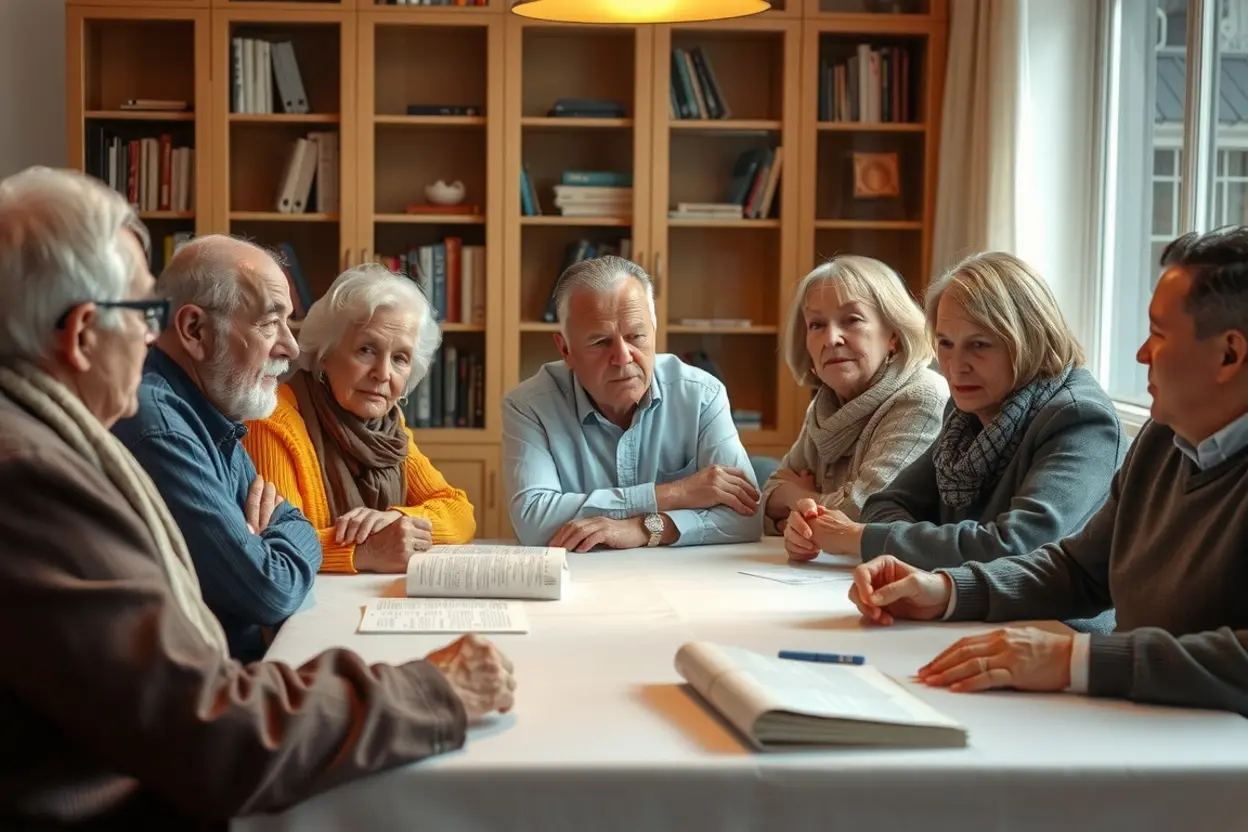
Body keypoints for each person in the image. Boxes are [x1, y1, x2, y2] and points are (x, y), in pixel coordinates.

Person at [0, 167, 515, 829]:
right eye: (144, 314)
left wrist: (279, 538)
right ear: (80, 335)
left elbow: (290, 530)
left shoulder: (93, 432)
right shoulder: (33, 475)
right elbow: (209, 728)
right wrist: (430, 690)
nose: (151, 342)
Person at [846, 226, 1248, 715]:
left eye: (1159, 335)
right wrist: (948, 590)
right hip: (1138, 716)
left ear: (1229, 353)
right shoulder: (1164, 439)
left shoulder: (1088, 416)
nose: (1142, 353)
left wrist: (1076, 659)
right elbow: (1079, 568)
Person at [784, 252, 1125, 572]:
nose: (955, 366)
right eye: (945, 343)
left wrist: (857, 538)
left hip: (1058, 628)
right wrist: (941, 543)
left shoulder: (1080, 420)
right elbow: (883, 505)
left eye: (978, 345)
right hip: (964, 608)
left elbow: (1014, 547)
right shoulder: (967, 411)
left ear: (1027, 339)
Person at [111, 234, 322, 661]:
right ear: (194, 329)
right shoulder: (161, 426)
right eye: (269, 323)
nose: (291, 347)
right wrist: (269, 547)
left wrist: (273, 538)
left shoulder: (209, 408)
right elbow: (267, 589)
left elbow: (296, 522)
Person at [503, 255, 762, 551]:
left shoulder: (702, 395)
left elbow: (747, 518)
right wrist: (674, 494)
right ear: (565, 349)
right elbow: (533, 522)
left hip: (682, 582)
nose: (623, 357)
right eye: (600, 342)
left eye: (636, 336)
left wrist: (645, 527)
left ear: (654, 331)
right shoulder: (528, 406)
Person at [241, 263, 475, 574]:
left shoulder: (389, 427)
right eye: (366, 350)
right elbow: (277, 547)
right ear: (325, 354)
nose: (383, 373)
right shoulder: (273, 420)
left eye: (400, 358)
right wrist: (367, 550)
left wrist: (399, 519)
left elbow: (461, 512)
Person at [761, 255, 947, 536]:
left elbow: (866, 512)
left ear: (893, 334)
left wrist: (796, 503)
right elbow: (765, 500)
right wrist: (796, 502)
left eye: (852, 320)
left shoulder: (921, 397)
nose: (831, 338)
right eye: (817, 325)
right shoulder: (824, 408)